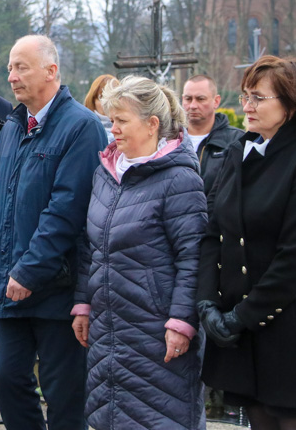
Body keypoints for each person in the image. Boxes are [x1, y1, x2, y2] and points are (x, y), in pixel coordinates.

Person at [0, 35, 107, 430]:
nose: (11, 76)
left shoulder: (81, 126)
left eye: (21, 67)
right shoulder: (13, 126)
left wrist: (29, 271)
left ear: (51, 71)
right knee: (8, 385)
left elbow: (66, 210)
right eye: (10, 67)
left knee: (64, 397)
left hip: (56, 289)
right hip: (7, 287)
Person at [196, 56, 296, 430]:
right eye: (245, 95)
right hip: (237, 324)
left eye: (258, 97)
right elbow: (214, 233)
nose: (247, 106)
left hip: (286, 323)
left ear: (289, 105)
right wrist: (207, 301)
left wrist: (242, 316)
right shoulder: (239, 154)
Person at [72, 76, 207, 429]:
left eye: (121, 121)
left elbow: (193, 257)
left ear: (152, 125)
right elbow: (90, 246)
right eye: (111, 120)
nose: (112, 128)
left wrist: (181, 323)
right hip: (108, 330)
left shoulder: (179, 179)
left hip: (157, 331)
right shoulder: (105, 174)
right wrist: (83, 304)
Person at [182, 74, 242, 195]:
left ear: (216, 101)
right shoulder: (169, 140)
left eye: (200, 99)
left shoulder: (237, 141)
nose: (193, 105)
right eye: (188, 99)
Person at [83, 74, 117, 144]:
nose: (106, 102)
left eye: (111, 98)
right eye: (101, 97)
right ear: (92, 100)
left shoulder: (129, 129)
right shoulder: (84, 129)